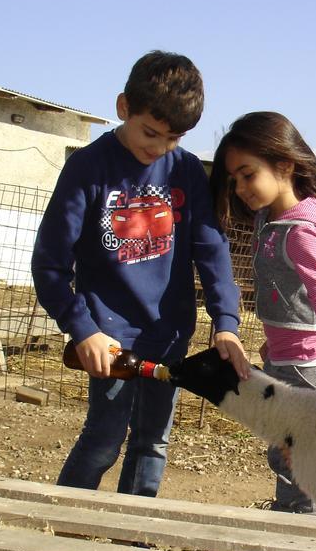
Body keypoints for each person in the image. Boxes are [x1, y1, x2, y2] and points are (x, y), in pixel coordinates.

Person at [32, 50, 249, 498]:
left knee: (153, 443)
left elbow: (211, 250)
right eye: (150, 132)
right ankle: (57, 525)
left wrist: (226, 324)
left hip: (169, 335)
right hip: (109, 339)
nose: (158, 147)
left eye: (173, 138)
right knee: (104, 439)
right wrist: (82, 329)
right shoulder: (88, 169)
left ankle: (133, 536)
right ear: (123, 107)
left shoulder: (186, 170)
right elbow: (50, 264)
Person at [210, 111, 316, 514]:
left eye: (248, 175)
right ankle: (304, 526)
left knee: (296, 460)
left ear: (284, 165)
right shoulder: (270, 218)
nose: (241, 188)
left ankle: (301, 535)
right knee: (288, 454)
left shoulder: (301, 234)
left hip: (306, 369)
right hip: (284, 359)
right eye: (234, 179)